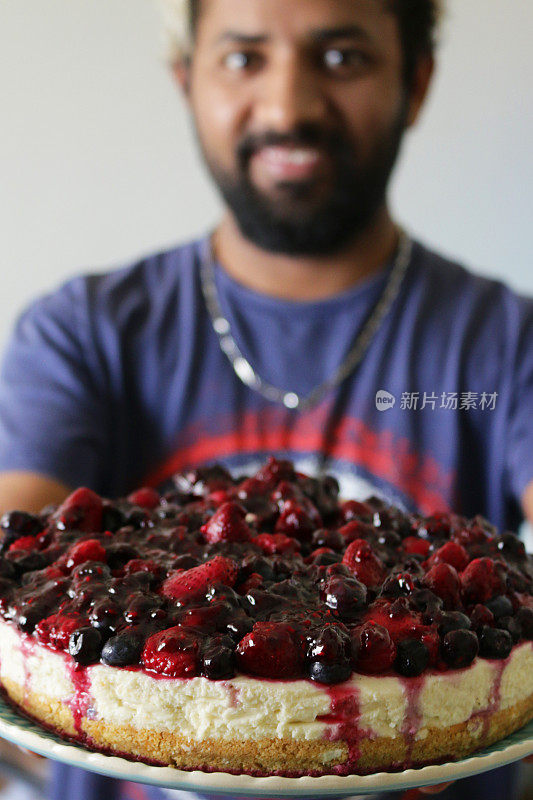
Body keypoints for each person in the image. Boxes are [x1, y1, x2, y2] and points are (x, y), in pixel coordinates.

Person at [0, 1, 531, 799]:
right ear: (186, 80)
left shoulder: (504, 342)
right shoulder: (83, 332)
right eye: (244, 58)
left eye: (342, 56)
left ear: (415, 82)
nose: (287, 108)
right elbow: (20, 565)